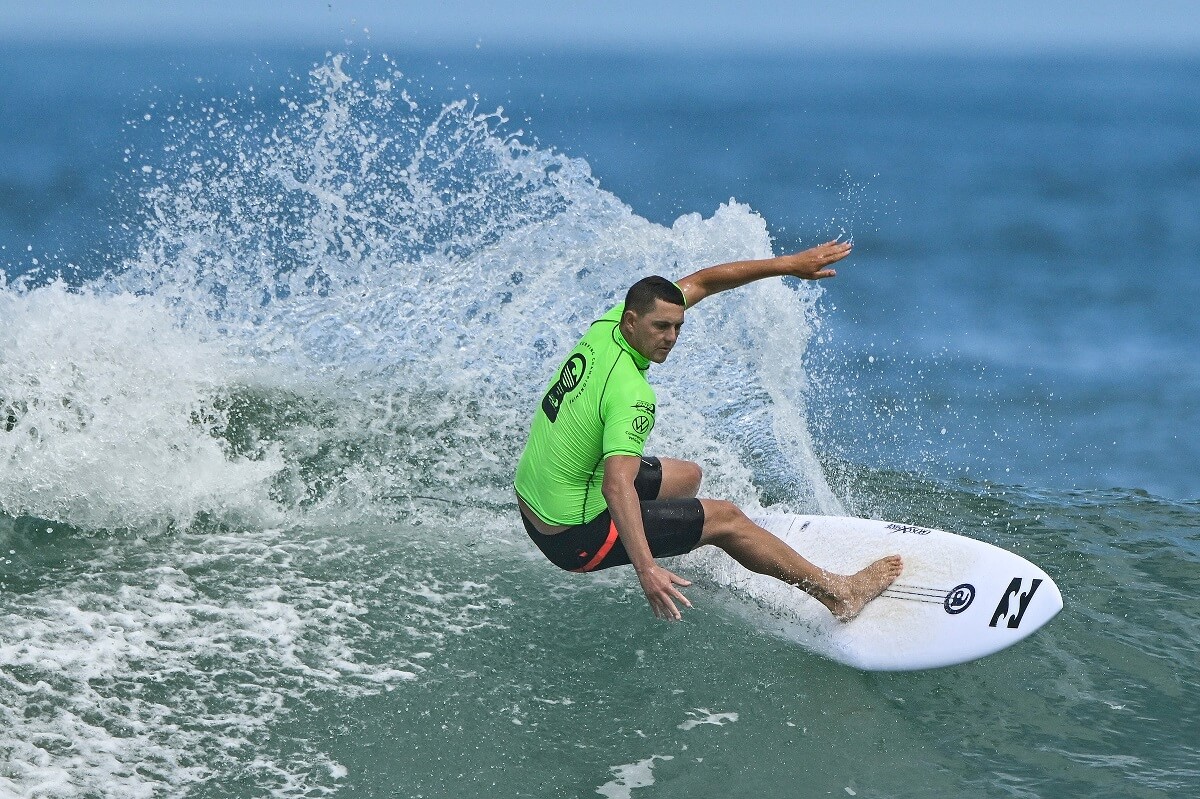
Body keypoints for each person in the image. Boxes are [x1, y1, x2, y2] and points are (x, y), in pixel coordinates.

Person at [514, 240, 902, 622]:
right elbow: (616, 486)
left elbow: (702, 282)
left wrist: (788, 264)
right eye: (661, 327)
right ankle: (839, 594)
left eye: (677, 327)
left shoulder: (607, 326)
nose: (670, 338)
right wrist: (646, 570)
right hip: (571, 537)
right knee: (728, 518)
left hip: (534, 496)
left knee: (688, 476)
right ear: (632, 321)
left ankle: (680, 533)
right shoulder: (631, 394)